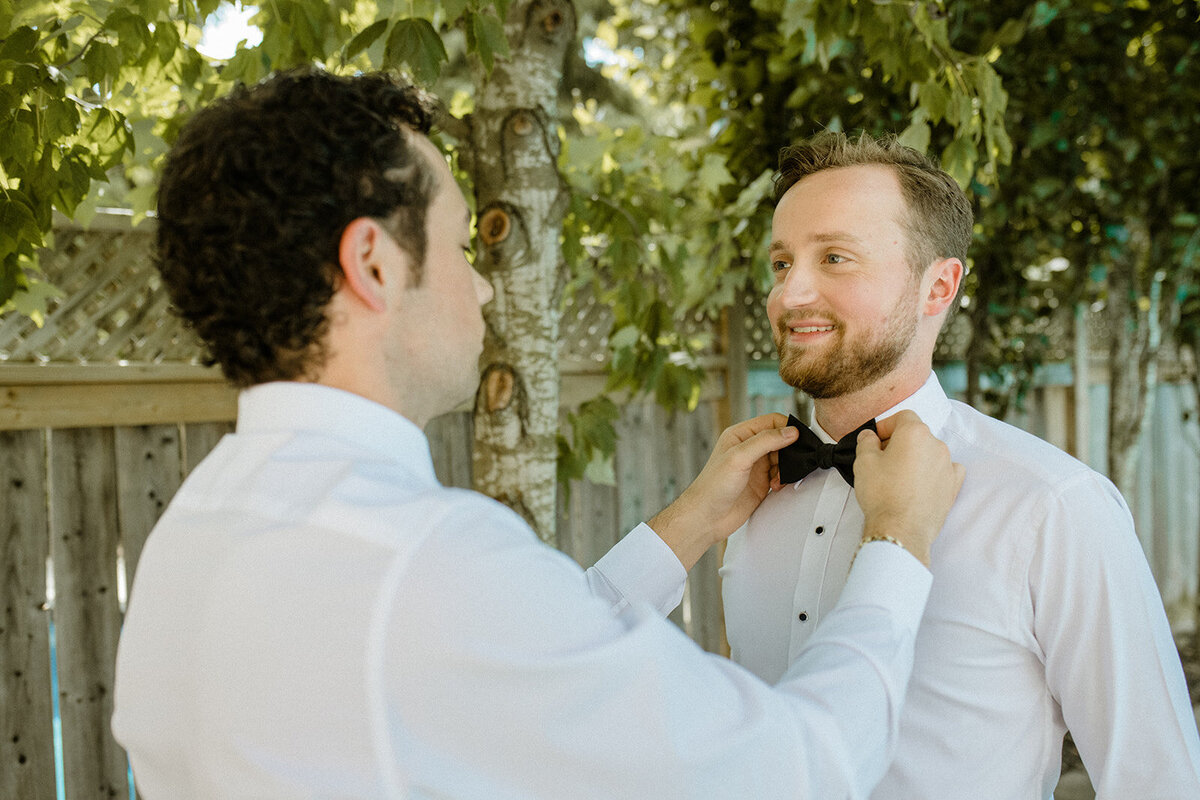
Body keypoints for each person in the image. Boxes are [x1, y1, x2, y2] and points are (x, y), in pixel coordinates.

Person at [110, 70, 964, 799]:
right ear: (373, 265)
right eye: (456, 246)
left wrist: (690, 524)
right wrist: (898, 539)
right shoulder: (423, 557)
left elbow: (508, 658)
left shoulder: (194, 531)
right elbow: (794, 770)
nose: (481, 293)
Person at [720, 130, 1200, 799]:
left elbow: (1158, 780)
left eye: (834, 258)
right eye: (780, 263)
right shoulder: (750, 493)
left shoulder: (1053, 507)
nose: (789, 294)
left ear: (937, 287)